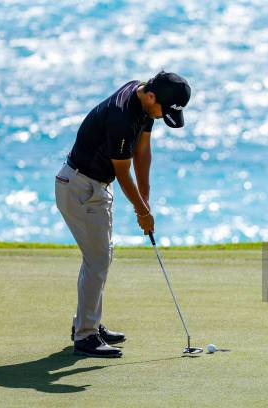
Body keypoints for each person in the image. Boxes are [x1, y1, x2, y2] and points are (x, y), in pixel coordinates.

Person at [55, 71, 191, 358]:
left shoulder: (142, 98)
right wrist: (141, 211)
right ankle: (85, 335)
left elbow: (142, 151)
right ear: (151, 96)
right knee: (98, 259)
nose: (159, 117)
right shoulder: (120, 117)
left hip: (92, 186)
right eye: (161, 111)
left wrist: (146, 198)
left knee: (101, 256)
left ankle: (88, 323)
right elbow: (122, 172)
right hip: (81, 187)